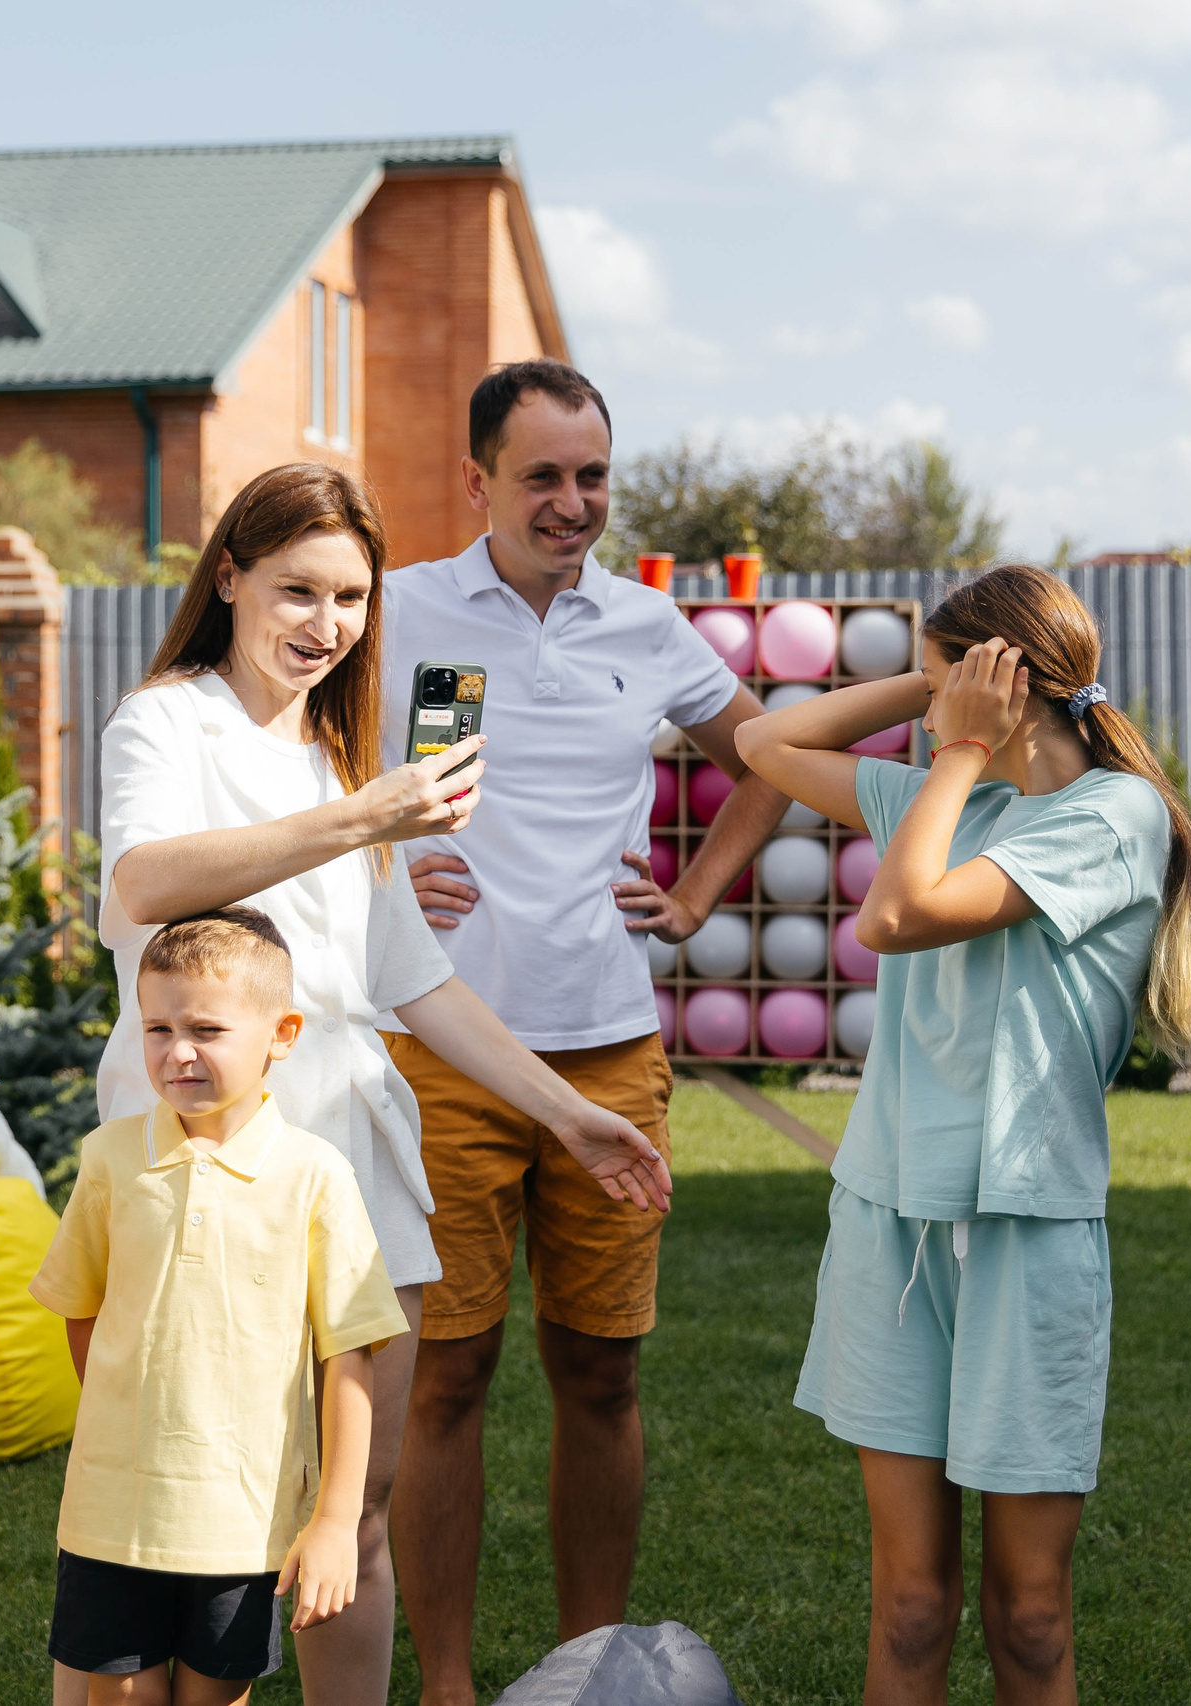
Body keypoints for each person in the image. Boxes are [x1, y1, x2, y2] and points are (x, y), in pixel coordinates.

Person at [97, 461, 671, 1706]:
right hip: (208, 1141)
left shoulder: (335, 750)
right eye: (298, 590)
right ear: (230, 576)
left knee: (356, 1503)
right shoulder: (167, 721)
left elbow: (418, 984)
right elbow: (144, 884)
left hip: (352, 1151)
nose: (326, 624)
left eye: (351, 598)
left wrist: (569, 1114)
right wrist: (367, 819)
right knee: (210, 1507)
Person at [381, 359, 787, 1703]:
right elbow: (298, 780)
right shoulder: (399, 615)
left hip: (610, 1045)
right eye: (543, 474)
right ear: (477, 480)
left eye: (592, 475)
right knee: (447, 1376)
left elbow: (767, 759)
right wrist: (371, 872)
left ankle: (593, 1675)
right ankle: (444, 1684)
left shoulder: (646, 624)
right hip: (441, 1045)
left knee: (599, 1375)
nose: (572, 502)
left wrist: (693, 893)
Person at [738, 565, 1191, 1705]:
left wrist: (952, 744)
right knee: (907, 1601)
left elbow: (895, 916)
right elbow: (762, 743)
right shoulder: (946, 798)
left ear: (1008, 686)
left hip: (1027, 1234)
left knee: (1031, 1612)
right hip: (887, 1224)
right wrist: (927, 687)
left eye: (956, 675)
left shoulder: (1115, 814)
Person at [33, 908, 408, 1706]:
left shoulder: (316, 1176)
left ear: (282, 1033)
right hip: (112, 1514)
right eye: (158, 1028)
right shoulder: (107, 1160)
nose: (178, 1052)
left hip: (244, 1519)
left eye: (206, 1028)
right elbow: (81, 1311)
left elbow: (349, 1356)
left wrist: (336, 1520)